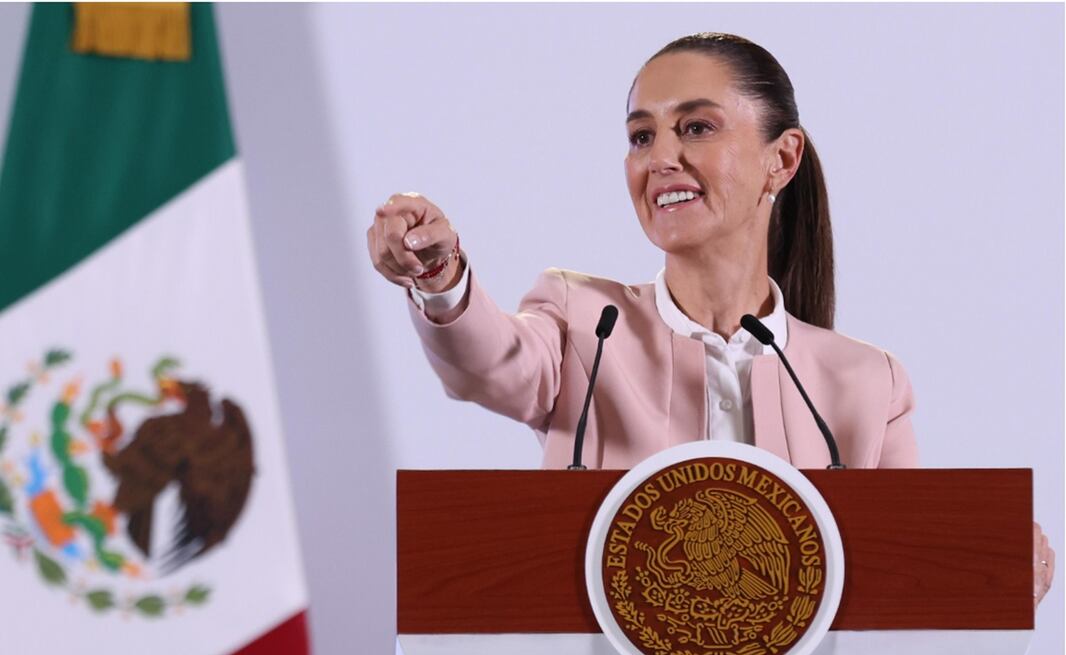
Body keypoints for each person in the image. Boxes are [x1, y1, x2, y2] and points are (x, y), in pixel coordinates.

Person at [366, 32, 1053, 607]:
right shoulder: (584, 326)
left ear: (781, 160)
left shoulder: (869, 383)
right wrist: (439, 275)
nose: (661, 157)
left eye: (695, 126)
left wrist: (994, 567)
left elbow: (907, 576)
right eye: (641, 136)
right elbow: (489, 361)